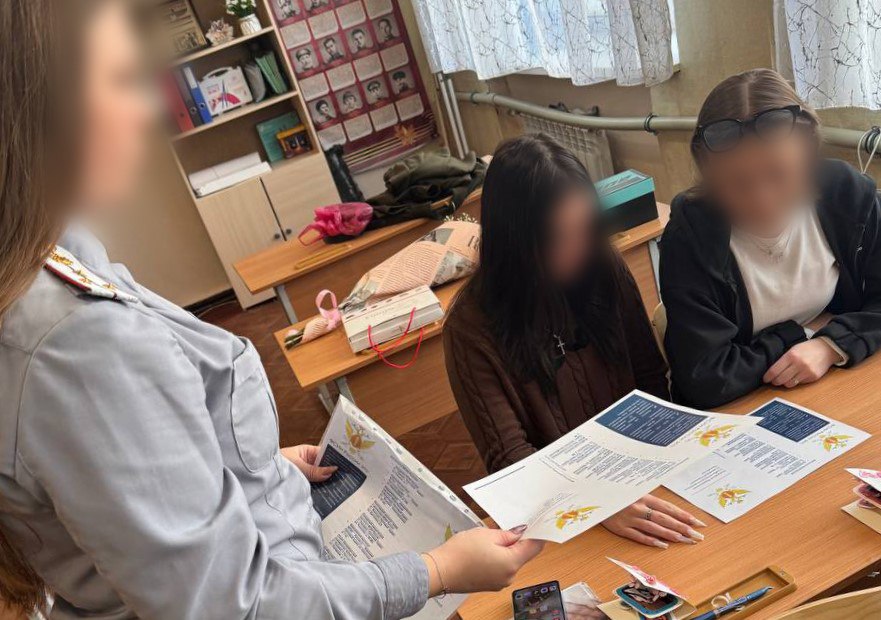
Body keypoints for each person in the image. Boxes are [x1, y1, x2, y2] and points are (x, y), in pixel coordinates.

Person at [0, 2, 543, 617]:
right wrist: (436, 571)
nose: (148, 109)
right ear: (40, 112)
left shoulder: (53, 256)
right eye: (122, 81)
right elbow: (241, 606)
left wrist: (238, 468)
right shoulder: (80, 342)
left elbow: (109, 484)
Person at [444, 135, 706, 549]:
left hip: (643, 478)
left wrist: (657, 460)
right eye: (558, 238)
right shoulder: (470, 327)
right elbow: (509, 458)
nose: (579, 249)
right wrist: (597, 502)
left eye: (585, 229)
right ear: (516, 242)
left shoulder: (604, 266)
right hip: (560, 515)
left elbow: (650, 379)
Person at [660, 68, 881, 409]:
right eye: (737, 183)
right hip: (740, 408)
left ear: (806, 153)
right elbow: (706, 377)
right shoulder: (691, 236)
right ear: (707, 174)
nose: (761, 200)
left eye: (778, 174)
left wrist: (829, 346)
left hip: (833, 386)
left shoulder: (846, 195)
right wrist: (801, 334)